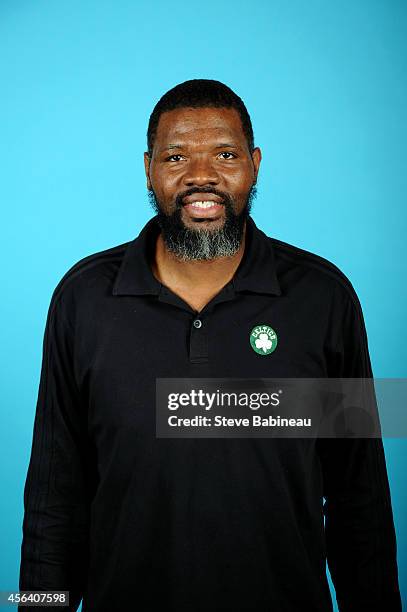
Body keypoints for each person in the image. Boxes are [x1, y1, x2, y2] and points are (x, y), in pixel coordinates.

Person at [19, 79, 401, 611]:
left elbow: (359, 499)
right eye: (177, 157)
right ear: (149, 168)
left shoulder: (323, 299)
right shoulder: (83, 299)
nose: (202, 177)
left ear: (255, 163)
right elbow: (53, 502)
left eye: (224, 154)